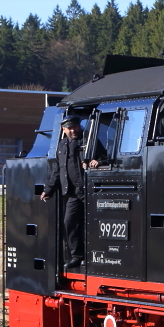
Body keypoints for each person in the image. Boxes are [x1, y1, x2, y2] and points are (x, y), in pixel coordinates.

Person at [39, 115, 98, 269]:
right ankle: (77, 256)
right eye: (70, 128)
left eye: (75, 126)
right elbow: (57, 171)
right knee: (69, 222)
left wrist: (98, 161)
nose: (73, 130)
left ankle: (95, 255)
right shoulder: (61, 146)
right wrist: (49, 189)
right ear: (63, 129)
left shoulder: (89, 141)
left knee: (93, 222)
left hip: (88, 190)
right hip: (72, 192)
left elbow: (104, 157)